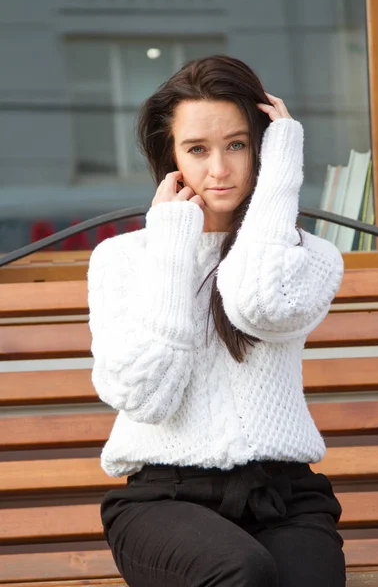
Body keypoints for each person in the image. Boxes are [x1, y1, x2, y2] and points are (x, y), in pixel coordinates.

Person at [87, 55, 346, 586]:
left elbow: (257, 303)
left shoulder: (308, 258)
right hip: (163, 500)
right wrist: (172, 248)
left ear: (265, 149)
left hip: (283, 496)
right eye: (197, 149)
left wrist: (280, 180)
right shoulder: (122, 259)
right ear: (171, 156)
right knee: (240, 571)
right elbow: (144, 397)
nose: (220, 169)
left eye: (237, 145)